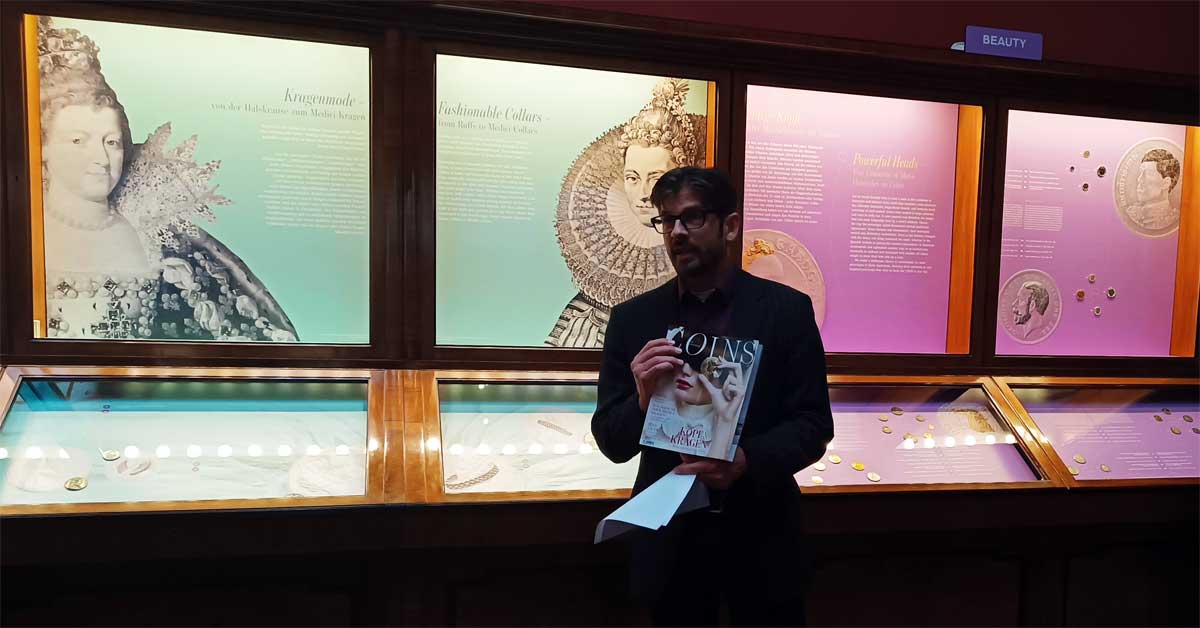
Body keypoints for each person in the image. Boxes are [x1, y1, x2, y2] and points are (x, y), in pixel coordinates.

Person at [592, 166, 834, 626]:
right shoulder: (633, 320)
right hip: (671, 550)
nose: (677, 233)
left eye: (693, 218)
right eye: (667, 221)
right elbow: (610, 440)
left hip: (761, 543)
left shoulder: (786, 312)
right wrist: (642, 401)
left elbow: (813, 425)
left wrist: (746, 460)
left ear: (731, 225)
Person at [37, 17, 296, 342]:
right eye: (78, 140)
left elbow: (258, 337)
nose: (100, 159)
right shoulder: (22, 234)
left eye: (111, 141)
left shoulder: (167, 241)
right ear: (43, 148)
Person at [547, 78, 707, 348]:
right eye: (632, 178)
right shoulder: (591, 305)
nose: (644, 192)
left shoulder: (702, 262)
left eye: (656, 177)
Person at [1132, 148, 1181, 230]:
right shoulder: (1133, 213)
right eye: (1141, 172)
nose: (1139, 179)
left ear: (1165, 183)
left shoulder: (1171, 219)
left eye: (1148, 174)